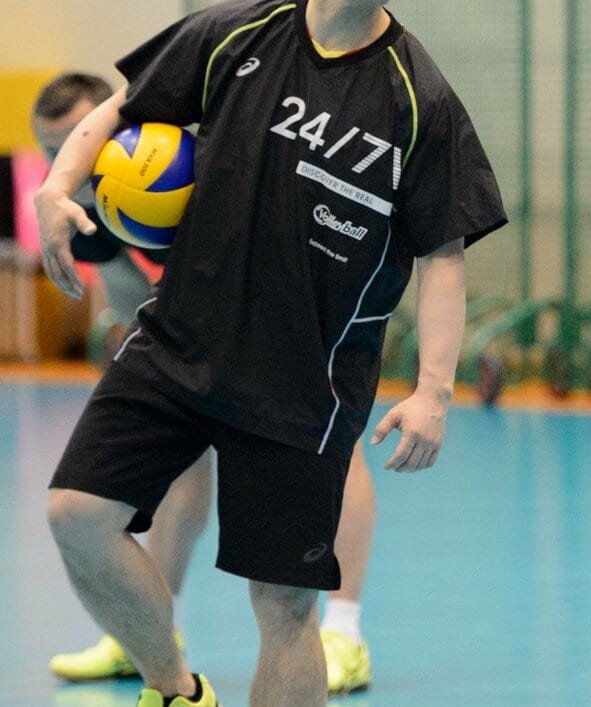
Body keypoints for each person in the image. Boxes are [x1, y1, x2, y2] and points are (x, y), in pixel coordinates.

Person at [36, 0, 507, 707]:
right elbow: (123, 106)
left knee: (286, 605)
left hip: (306, 383)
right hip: (179, 343)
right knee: (76, 514)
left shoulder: (420, 100)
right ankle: (175, 687)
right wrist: (59, 188)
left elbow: (444, 253)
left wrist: (434, 388)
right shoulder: (236, 35)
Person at [38, 77, 383, 698]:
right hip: (188, 343)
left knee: (336, 455)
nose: (72, 161)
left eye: (75, 141)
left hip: (289, 327)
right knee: (173, 472)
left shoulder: (195, 166)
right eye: (52, 149)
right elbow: (126, 298)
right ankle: (144, 633)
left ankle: (344, 633)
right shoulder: (87, 217)